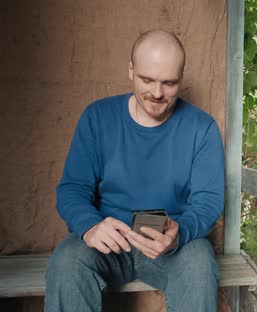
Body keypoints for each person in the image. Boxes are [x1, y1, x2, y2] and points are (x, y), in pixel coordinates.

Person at [45, 30, 225, 312]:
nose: (157, 93)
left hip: (173, 246)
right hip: (109, 242)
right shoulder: (97, 117)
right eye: (147, 80)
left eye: (169, 83)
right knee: (67, 259)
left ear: (181, 77)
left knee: (200, 261)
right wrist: (91, 226)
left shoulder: (202, 128)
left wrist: (180, 234)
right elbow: (72, 189)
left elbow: (209, 201)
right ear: (131, 70)